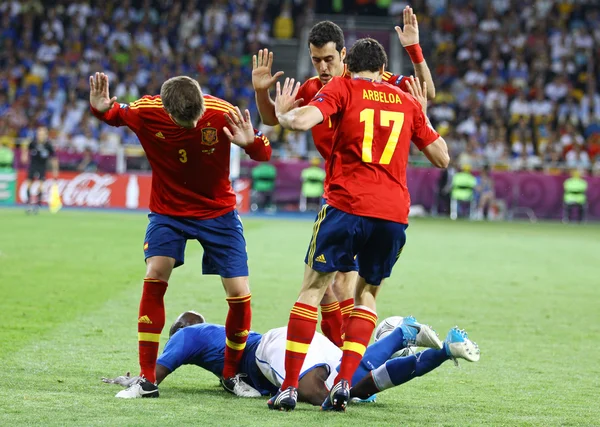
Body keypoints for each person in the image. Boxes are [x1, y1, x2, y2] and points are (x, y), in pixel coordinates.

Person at [269, 38, 449, 411]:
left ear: (350, 66)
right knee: (366, 294)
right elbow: (442, 158)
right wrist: (424, 113)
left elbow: (303, 121)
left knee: (314, 289)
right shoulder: (406, 101)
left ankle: (287, 387)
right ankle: (344, 385)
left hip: (346, 204)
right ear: (384, 70)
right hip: (392, 214)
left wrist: (284, 114)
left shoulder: (343, 86)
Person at [252, 7, 436, 347]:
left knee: (336, 287)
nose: (322, 67)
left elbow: (427, 92)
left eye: (328, 59)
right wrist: (263, 92)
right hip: (338, 193)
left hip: (366, 195)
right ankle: (347, 359)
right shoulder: (312, 88)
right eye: (316, 59)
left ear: (344, 55)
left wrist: (414, 50)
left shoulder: (369, 81)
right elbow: (275, 120)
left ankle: (347, 362)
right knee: (326, 291)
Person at [88, 72, 272, 399]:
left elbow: (263, 152)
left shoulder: (222, 112)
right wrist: (100, 108)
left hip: (218, 213)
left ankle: (230, 374)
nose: (192, 123)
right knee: (155, 272)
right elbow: (112, 113)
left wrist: (252, 144)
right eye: (183, 120)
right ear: (167, 111)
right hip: (168, 211)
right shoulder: (146, 110)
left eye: (197, 116)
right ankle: (146, 380)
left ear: (203, 103)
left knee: (240, 295)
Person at [103, 311, 480, 405]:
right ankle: (433, 347)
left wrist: (144, 380)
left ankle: (401, 333)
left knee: (335, 389)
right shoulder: (211, 343)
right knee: (359, 384)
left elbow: (168, 359)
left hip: (271, 350)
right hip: (291, 349)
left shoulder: (194, 333)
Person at [20, 126, 59, 213]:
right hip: (33, 166)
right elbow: (26, 149)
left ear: (45, 135)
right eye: (39, 134)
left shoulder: (48, 145)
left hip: (42, 167)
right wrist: (24, 156)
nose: (40, 135)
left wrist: (55, 170)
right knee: (29, 184)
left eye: (42, 134)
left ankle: (37, 205)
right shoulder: (33, 143)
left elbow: (54, 158)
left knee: (41, 187)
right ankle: (29, 204)